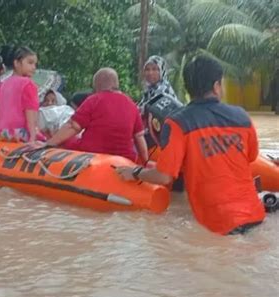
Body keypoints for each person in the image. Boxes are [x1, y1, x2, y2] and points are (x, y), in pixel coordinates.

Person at [116, 55, 266, 235]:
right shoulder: (242, 116)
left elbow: (164, 177)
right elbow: (250, 157)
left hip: (217, 225)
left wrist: (134, 172)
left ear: (188, 87)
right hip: (256, 217)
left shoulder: (177, 123)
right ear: (217, 86)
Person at [46, 68, 148, 163]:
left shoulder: (94, 100)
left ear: (97, 85)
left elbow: (73, 126)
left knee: (65, 140)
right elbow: (139, 137)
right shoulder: (131, 104)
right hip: (124, 158)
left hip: (92, 155)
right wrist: (145, 162)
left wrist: (49, 143)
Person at [0, 46, 44, 143]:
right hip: (18, 133)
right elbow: (30, 112)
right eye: (30, 63)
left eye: (35, 64)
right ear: (17, 63)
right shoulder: (28, 84)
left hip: (1, 133)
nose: (34, 67)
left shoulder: (3, 84)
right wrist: (32, 138)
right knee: (45, 138)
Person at [137, 55, 179, 122]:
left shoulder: (164, 91)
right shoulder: (149, 91)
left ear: (162, 71)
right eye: (147, 69)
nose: (150, 73)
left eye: (154, 69)